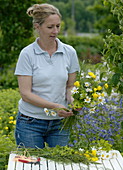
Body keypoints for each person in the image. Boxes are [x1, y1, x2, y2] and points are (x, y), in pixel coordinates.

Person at [14, 3, 80, 149]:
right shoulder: (27, 54)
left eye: (58, 26)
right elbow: (25, 94)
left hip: (59, 123)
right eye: (50, 27)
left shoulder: (69, 52)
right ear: (37, 27)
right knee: (32, 164)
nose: (55, 31)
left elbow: (70, 86)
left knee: (61, 163)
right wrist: (55, 106)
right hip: (30, 123)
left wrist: (73, 101)